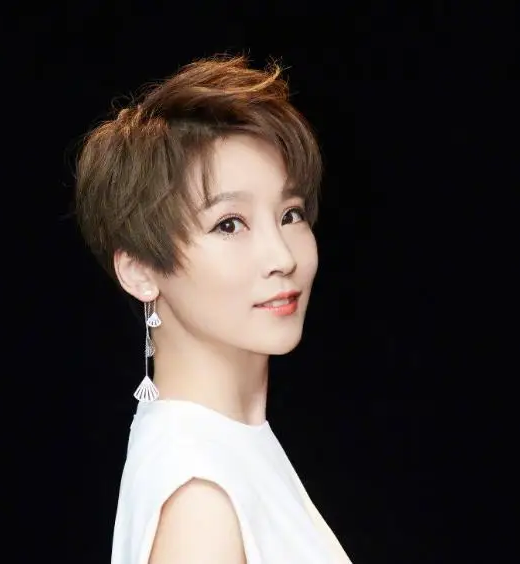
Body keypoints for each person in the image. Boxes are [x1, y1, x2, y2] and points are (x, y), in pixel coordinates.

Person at [74, 55, 353, 563]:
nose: (282, 257)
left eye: (290, 214)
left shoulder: (220, 445)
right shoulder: (200, 498)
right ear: (139, 269)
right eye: (229, 224)